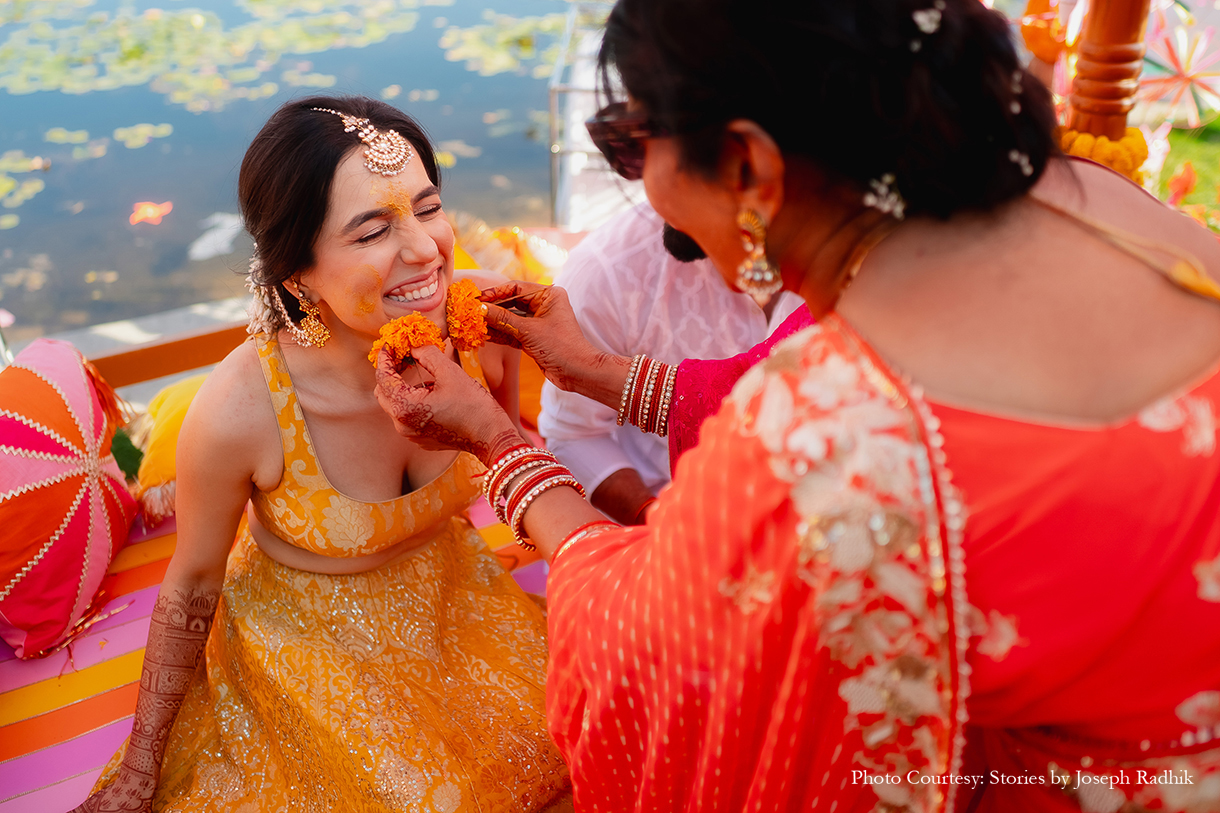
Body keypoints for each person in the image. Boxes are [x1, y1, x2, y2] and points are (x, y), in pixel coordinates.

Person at [372, 0, 1220, 810]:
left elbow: (636, 646)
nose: (643, 182)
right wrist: (594, 369)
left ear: (747, 165)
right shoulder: (1093, 198)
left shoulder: (824, 436)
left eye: (644, 139)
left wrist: (498, 439)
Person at [73, 96, 570, 813]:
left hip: (453, 592)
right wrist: (140, 773)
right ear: (298, 275)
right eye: (373, 230)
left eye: (428, 207)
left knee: (592, 728)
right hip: (309, 637)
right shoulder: (243, 410)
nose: (428, 250)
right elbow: (190, 587)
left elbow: (515, 454)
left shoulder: (480, 325)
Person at [539, 201, 803, 524]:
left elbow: (752, 399)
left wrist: (586, 371)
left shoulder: (855, 287)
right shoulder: (606, 270)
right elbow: (572, 433)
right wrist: (658, 526)